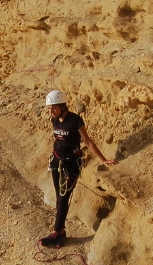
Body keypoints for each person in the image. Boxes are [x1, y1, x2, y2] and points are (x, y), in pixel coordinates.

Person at [38, 90, 117, 248]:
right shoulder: (55, 120)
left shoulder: (75, 120)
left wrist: (104, 160)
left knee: (63, 198)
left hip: (71, 164)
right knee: (59, 196)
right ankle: (60, 232)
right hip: (56, 161)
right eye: (49, 108)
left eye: (53, 108)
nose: (50, 111)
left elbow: (87, 142)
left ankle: (56, 232)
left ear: (62, 106)